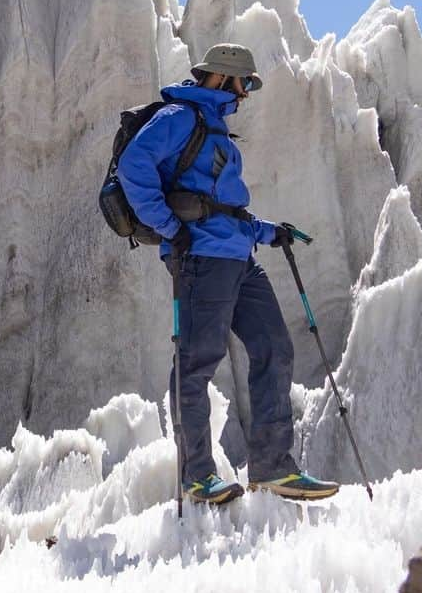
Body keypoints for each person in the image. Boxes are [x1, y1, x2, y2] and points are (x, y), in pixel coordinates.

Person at [117, 43, 338, 505]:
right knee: (197, 364)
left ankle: (273, 466)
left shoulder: (213, 126)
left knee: (274, 347)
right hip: (202, 260)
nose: (248, 94)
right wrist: (170, 229)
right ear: (222, 78)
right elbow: (134, 167)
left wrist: (267, 230)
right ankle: (196, 476)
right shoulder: (180, 117)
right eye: (245, 83)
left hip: (238, 257)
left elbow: (225, 208)